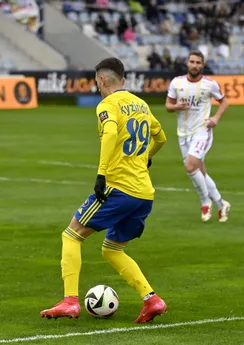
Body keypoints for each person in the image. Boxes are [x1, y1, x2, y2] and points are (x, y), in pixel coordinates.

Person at [40, 57, 167, 323]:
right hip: (144, 194)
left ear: (104, 80)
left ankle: (70, 301)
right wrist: (146, 158)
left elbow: (109, 134)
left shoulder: (107, 105)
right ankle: (152, 299)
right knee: (112, 249)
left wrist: (101, 174)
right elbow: (161, 137)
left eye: (97, 81)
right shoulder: (141, 104)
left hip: (118, 188)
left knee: (72, 235)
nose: (97, 86)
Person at [166, 50, 231, 222]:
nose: (194, 65)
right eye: (192, 61)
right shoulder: (176, 83)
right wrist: (177, 107)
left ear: (202, 65)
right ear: (187, 63)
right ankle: (221, 203)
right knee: (199, 171)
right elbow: (168, 105)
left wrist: (216, 117)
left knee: (190, 166)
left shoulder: (209, 84)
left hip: (202, 131)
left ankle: (205, 201)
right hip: (183, 134)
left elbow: (224, 101)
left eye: (198, 62)